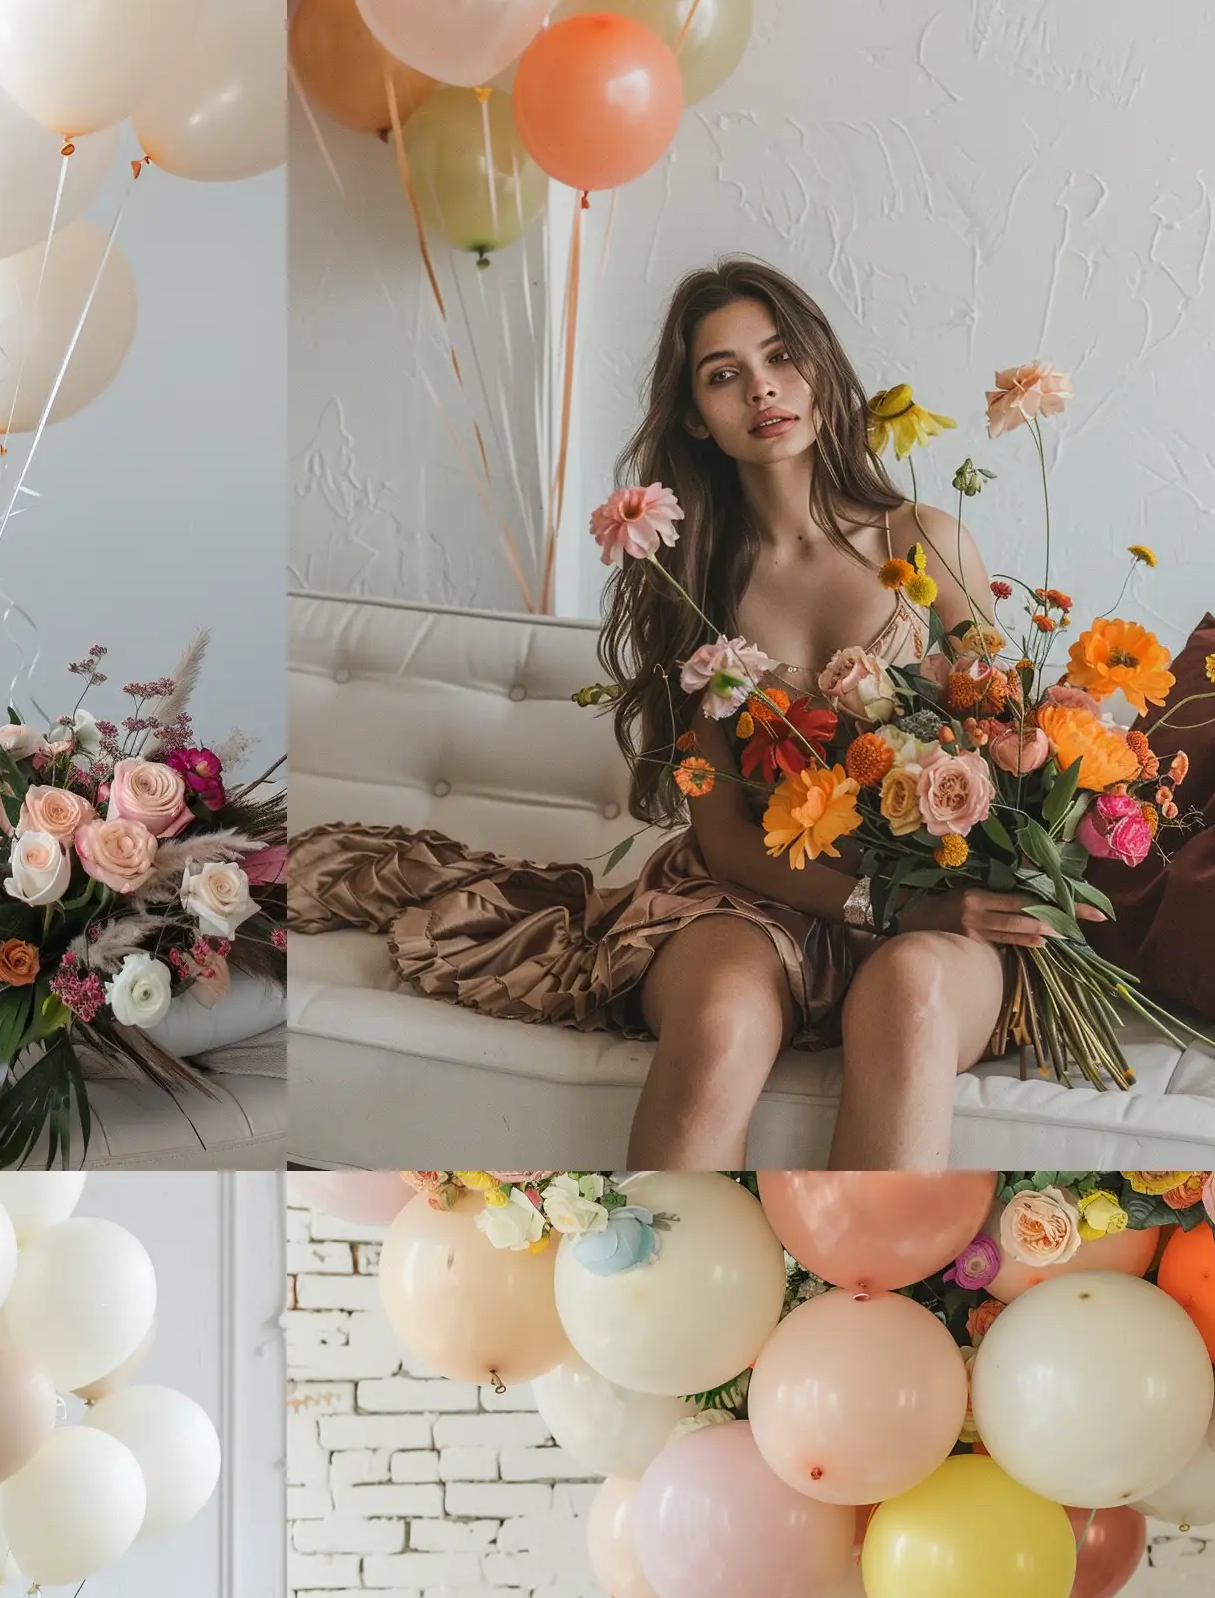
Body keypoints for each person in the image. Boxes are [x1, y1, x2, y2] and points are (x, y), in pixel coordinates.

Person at [292, 259, 1047, 1170]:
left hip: (940, 902)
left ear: (820, 371)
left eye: (780, 356)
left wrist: (946, 898)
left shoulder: (925, 540)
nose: (762, 386)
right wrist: (878, 899)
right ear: (696, 414)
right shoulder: (689, 581)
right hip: (754, 892)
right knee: (720, 1023)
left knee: (912, 990)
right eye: (724, 374)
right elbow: (727, 838)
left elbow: (1008, 745)